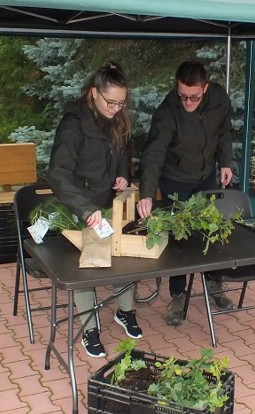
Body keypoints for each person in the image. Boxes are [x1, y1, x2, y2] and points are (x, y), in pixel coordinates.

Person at [46, 62, 143, 358]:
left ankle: (125, 312)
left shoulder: (118, 120)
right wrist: (85, 208)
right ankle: (89, 326)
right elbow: (58, 173)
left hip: (107, 202)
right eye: (110, 102)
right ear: (94, 93)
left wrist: (123, 175)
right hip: (79, 205)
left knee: (122, 255)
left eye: (121, 102)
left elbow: (123, 153)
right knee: (87, 264)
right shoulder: (74, 123)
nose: (116, 108)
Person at [136, 60, 235, 326]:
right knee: (179, 239)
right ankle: (178, 295)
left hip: (206, 177)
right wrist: (146, 192)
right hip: (175, 180)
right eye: (183, 96)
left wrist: (226, 161)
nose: (188, 102)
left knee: (211, 231)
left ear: (206, 87)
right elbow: (153, 153)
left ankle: (215, 284)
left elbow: (224, 131)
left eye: (194, 97)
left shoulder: (219, 99)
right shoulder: (168, 111)